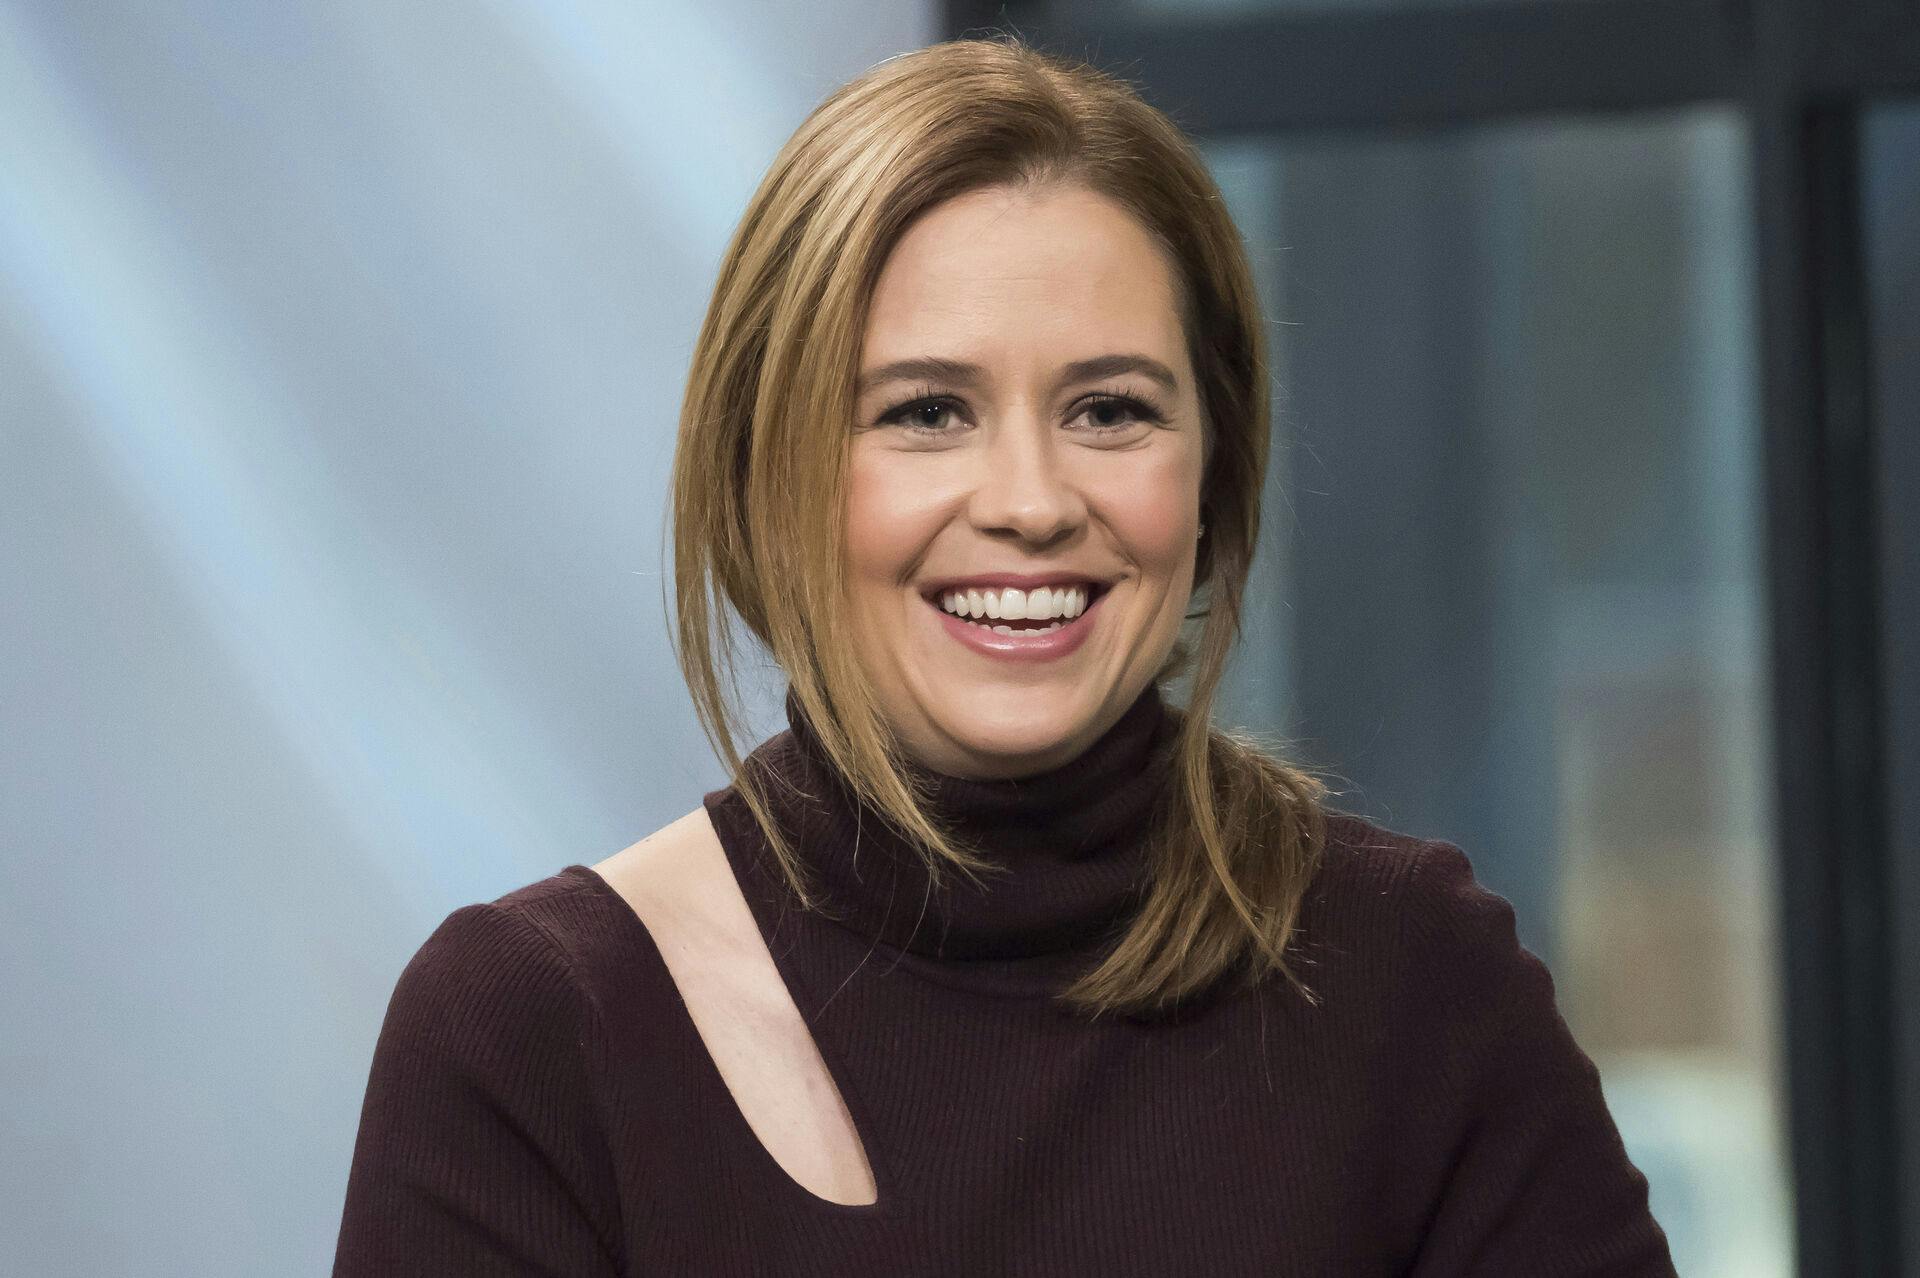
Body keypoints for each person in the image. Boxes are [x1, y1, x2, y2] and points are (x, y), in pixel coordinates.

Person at [332, 36, 1676, 1276]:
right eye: (925, 411)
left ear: (1213, 470)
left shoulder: (1415, 983)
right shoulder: (532, 1036)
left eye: (1109, 408)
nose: (1032, 499)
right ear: (763, 474)